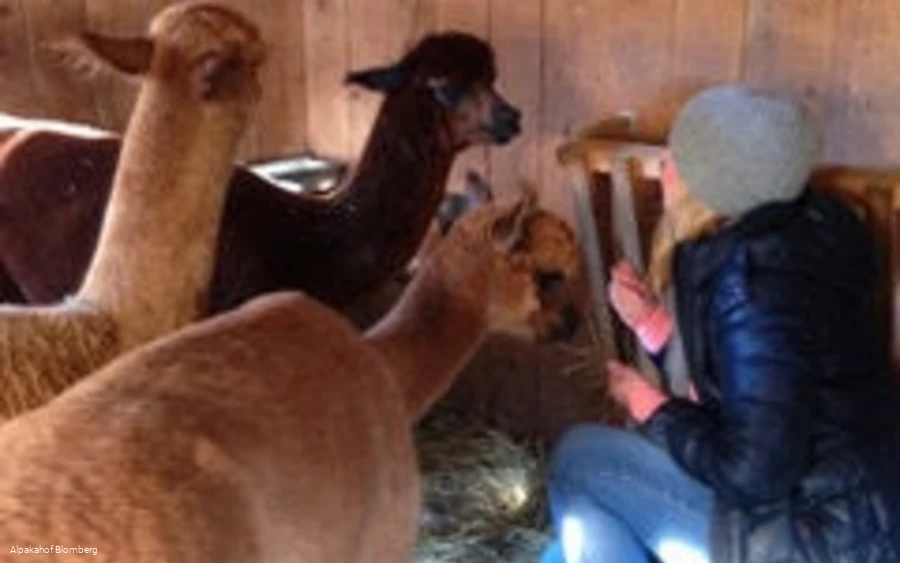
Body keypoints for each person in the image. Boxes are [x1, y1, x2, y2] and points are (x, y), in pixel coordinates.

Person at [539, 85, 900, 563]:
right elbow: (756, 388)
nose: (664, 169)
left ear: (713, 181)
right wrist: (652, 326)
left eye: (675, 158)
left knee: (579, 461)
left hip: (813, 540)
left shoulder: (756, 286)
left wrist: (654, 410)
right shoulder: (793, 237)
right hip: (840, 516)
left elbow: (756, 472)